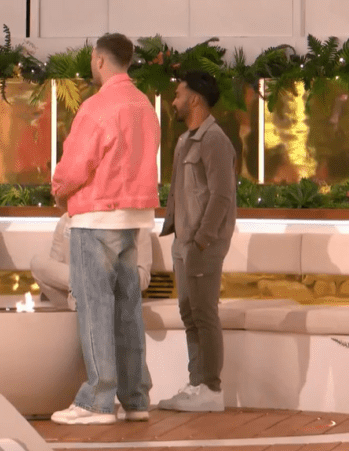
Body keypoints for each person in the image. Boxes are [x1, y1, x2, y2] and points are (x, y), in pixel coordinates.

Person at [49, 33, 160, 426]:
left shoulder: (98, 107)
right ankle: (135, 399)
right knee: (127, 311)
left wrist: (58, 190)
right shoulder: (145, 105)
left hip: (96, 217)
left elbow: (76, 165)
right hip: (134, 219)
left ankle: (97, 401)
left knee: (95, 306)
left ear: (98, 60)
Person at [157, 71, 237, 413]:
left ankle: (212, 389)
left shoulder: (215, 140)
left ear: (194, 99)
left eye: (177, 95)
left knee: (204, 314)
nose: (172, 102)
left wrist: (203, 240)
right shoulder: (184, 141)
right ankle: (196, 385)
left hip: (202, 244)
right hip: (183, 243)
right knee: (189, 314)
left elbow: (222, 196)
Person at [30, 213, 153, 309]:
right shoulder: (67, 219)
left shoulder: (136, 223)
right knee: (37, 263)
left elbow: (143, 278)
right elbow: (55, 270)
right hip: (74, 297)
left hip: (112, 299)